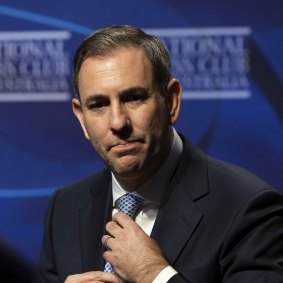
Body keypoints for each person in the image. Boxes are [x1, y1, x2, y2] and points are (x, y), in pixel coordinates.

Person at [35, 25, 283, 283]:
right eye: (99, 105)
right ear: (82, 118)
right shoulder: (64, 208)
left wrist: (154, 274)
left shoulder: (248, 208)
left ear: (171, 101)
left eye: (134, 98)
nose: (118, 122)